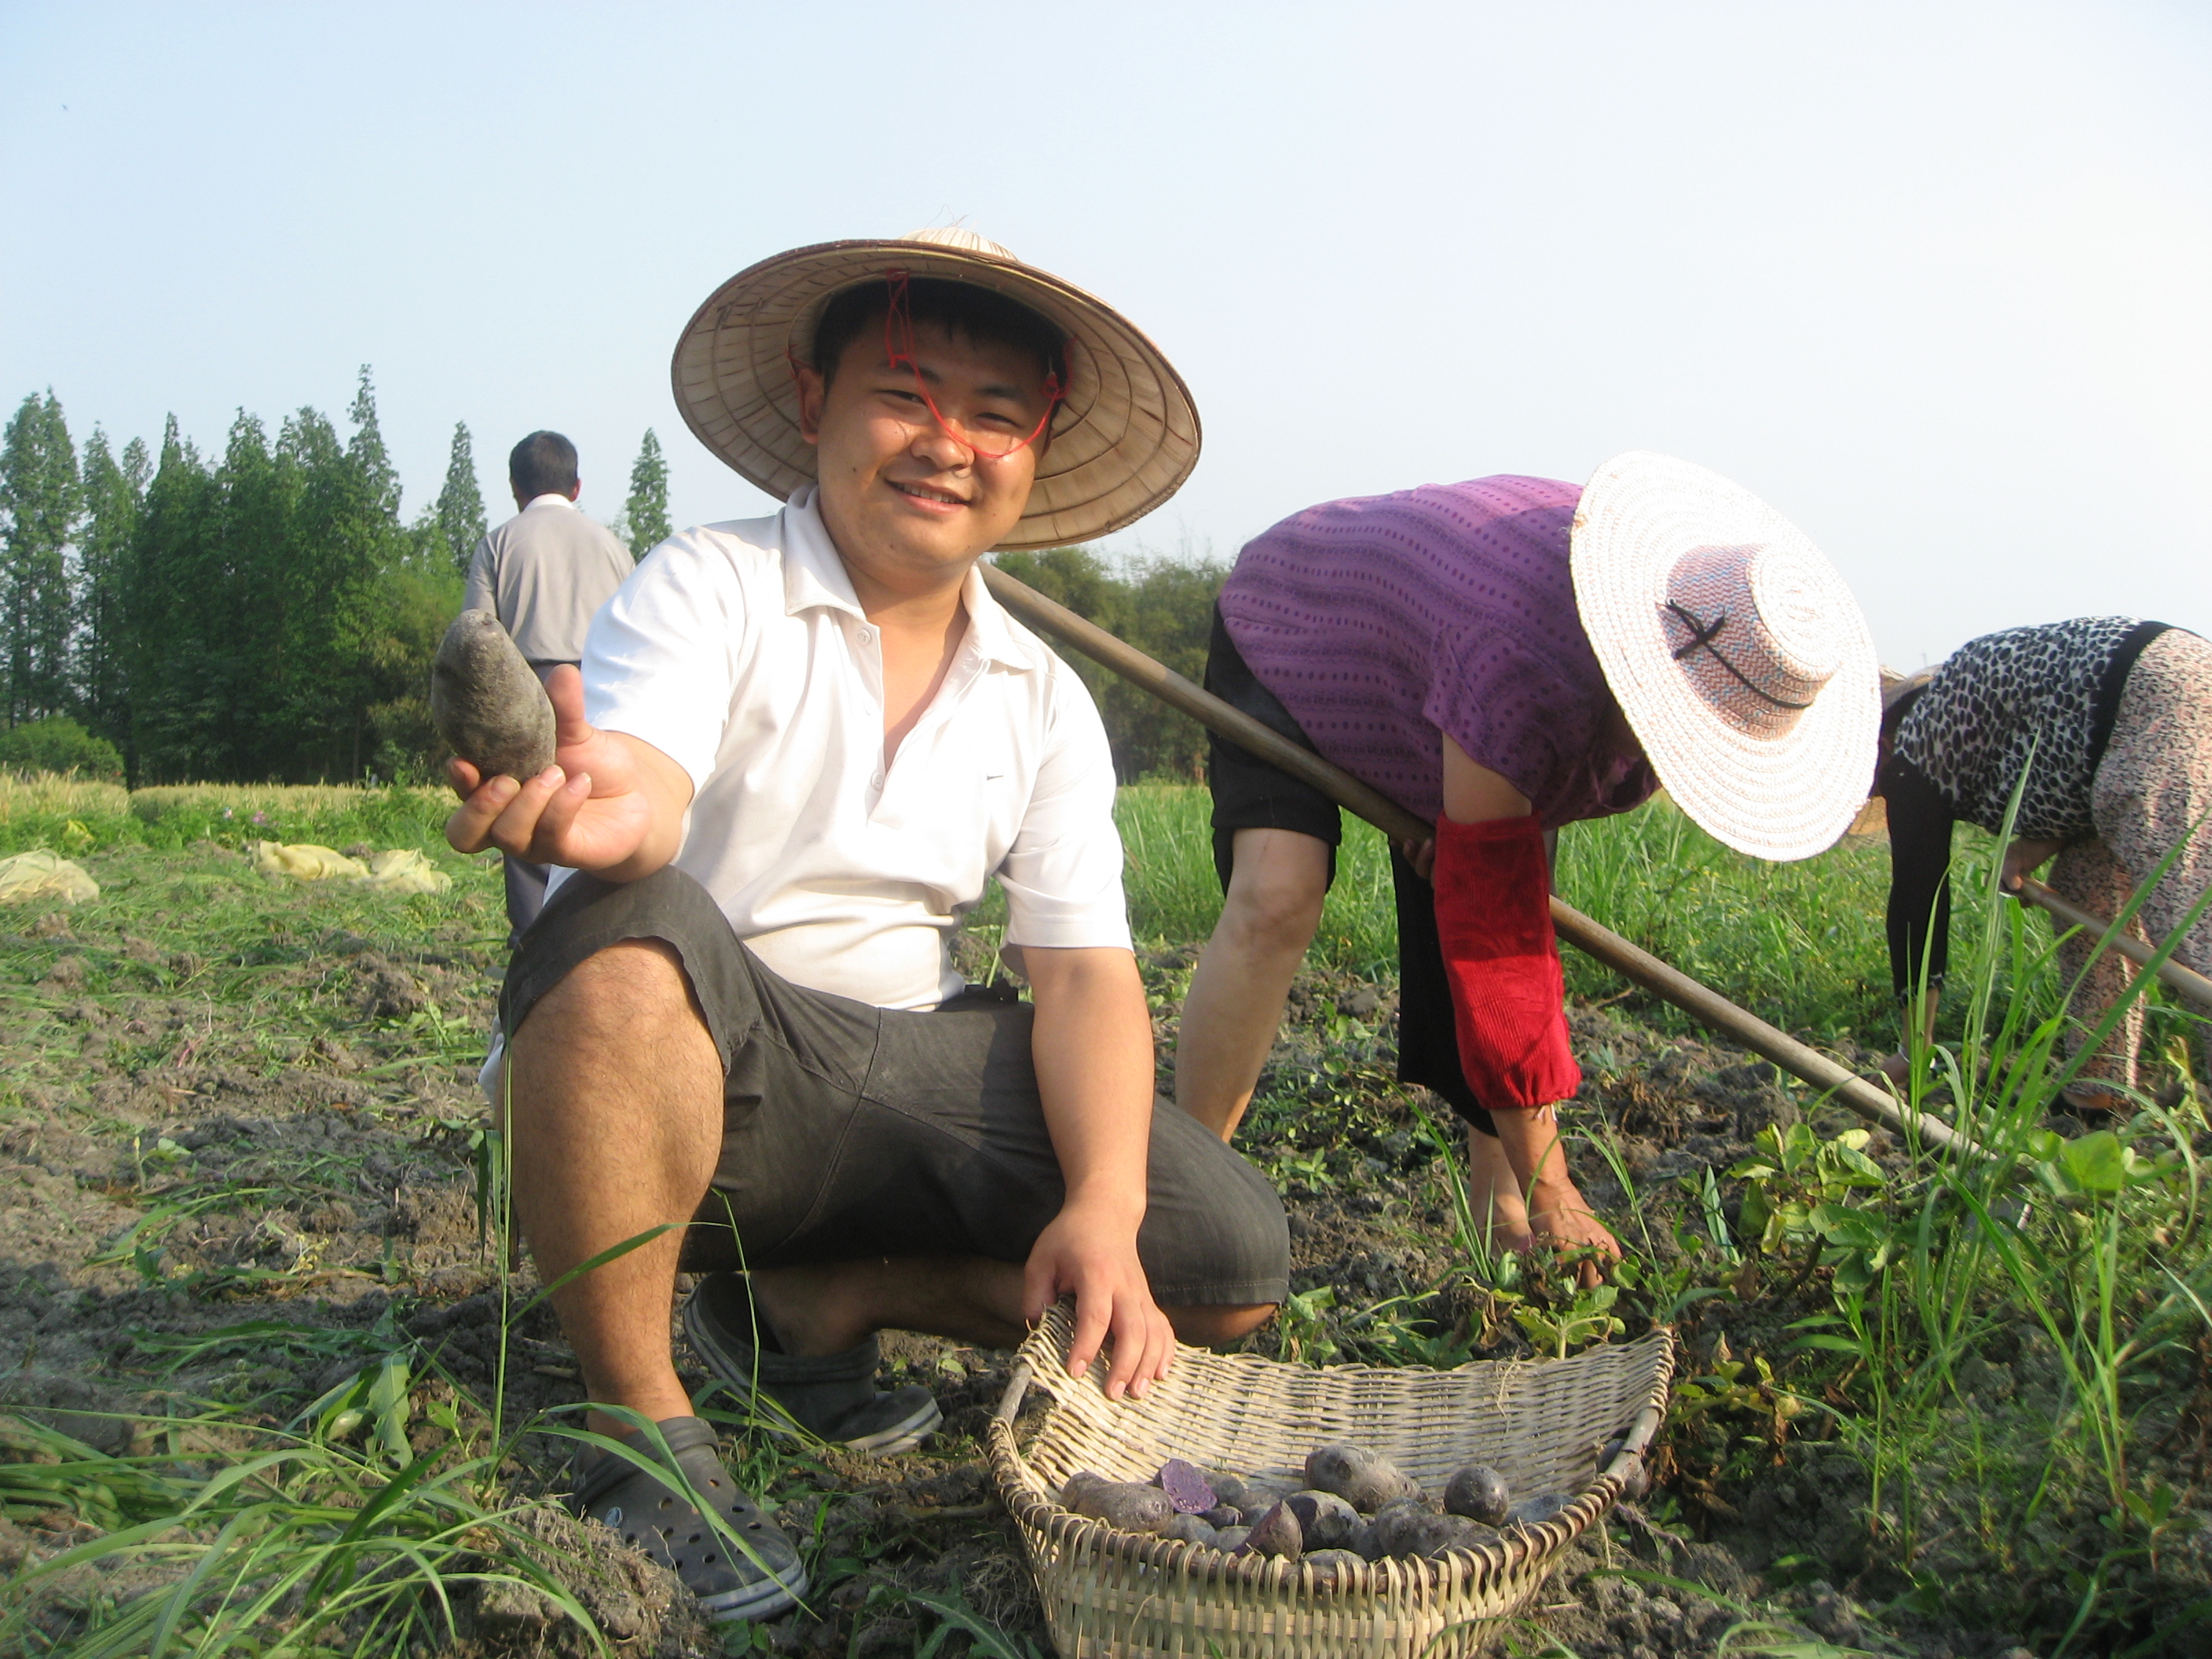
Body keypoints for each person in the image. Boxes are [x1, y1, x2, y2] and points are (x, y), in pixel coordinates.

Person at [445, 228, 1284, 1624]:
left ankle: (816, 1304)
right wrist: (609, 814)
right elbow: (644, 779)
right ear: (814, 400)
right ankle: (638, 1431)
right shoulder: (710, 584)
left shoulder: (1039, 694)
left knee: (1225, 1260)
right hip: (709, 1074)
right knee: (626, 918)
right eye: (905, 394)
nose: (947, 443)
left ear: (1033, 451)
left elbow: (1084, 981)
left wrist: (1101, 1207)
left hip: (903, 1076)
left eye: (996, 413)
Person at [1174, 452, 1880, 1267]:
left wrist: (1457, 824)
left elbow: (1500, 870)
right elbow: (1496, 942)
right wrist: (1557, 1187)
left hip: (1444, 669)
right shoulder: (1522, 662)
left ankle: (1501, 1212)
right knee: (1279, 893)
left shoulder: (1652, 672)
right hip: (1301, 618)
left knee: (1485, 873)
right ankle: (1185, 1194)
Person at [1873, 618, 2210, 1109]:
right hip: (2145, 698)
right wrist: (2028, 851)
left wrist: (1913, 1048)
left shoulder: (1914, 749)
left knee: (2191, 927)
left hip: (2154, 704)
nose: (1878, 794)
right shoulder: (1960, 707)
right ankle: (2096, 1093)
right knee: (2085, 898)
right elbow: (2067, 750)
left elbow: (1917, 902)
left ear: (1876, 743)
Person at [462, 430, 634, 943]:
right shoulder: (612, 545)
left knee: (527, 812)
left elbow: (475, 634)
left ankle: (533, 942)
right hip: (601, 686)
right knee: (598, 807)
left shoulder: (500, 542)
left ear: (515, 487)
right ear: (576, 487)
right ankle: (598, 935)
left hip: (524, 689)